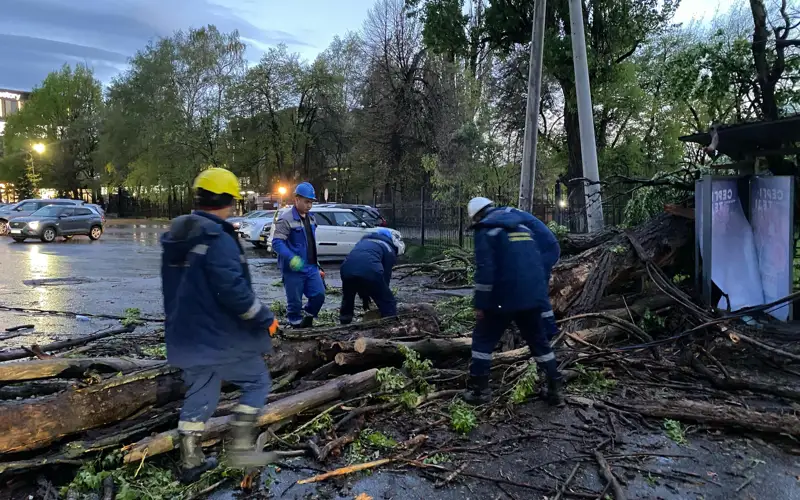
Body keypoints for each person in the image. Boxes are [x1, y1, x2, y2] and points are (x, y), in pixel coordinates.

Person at [161, 167, 280, 484]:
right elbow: (234, 292)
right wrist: (266, 319)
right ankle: (240, 448)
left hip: (186, 335)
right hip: (217, 337)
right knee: (257, 381)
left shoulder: (179, 235)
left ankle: (190, 461)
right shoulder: (217, 238)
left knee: (202, 391)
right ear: (228, 200)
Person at [464, 198, 564, 406]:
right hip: (531, 298)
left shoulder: (487, 230)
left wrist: (480, 304)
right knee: (539, 342)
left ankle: (479, 390)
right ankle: (555, 389)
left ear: (477, 216)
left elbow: (485, 270)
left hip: (502, 298)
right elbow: (537, 266)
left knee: (482, 340)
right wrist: (541, 302)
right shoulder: (523, 228)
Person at [467, 197, 561, 339]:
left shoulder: (497, 220)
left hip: (544, 249)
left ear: (478, 215)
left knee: (535, 288)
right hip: (542, 246)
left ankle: (548, 331)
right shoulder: (503, 214)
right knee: (530, 286)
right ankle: (536, 325)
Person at [271, 182, 326, 328]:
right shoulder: (286, 219)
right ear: (297, 199)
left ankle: (308, 316)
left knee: (319, 295)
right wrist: (291, 258)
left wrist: (317, 264)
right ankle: (295, 325)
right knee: (294, 302)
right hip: (293, 268)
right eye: (306, 202)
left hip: (311, 266)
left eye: (311, 202)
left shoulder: (311, 219)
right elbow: (277, 243)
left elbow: (310, 243)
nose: (309, 205)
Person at [339, 228, 405, 324]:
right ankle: (390, 323)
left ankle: (344, 322)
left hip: (346, 270)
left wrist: (365, 296)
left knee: (348, 297)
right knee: (388, 301)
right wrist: (382, 294)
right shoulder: (388, 248)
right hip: (370, 270)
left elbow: (358, 268)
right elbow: (385, 277)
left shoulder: (363, 242)